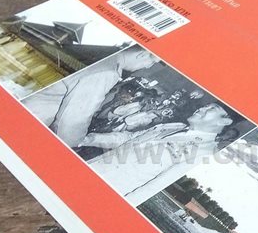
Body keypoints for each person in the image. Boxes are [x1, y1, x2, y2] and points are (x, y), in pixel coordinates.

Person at [79, 103, 234, 205]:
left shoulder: (205, 152)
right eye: (204, 106)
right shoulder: (174, 126)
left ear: (224, 122)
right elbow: (128, 139)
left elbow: (154, 187)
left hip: (108, 193)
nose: (201, 108)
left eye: (210, 109)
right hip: (92, 169)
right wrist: (89, 139)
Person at [22, 46, 158, 147]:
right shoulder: (107, 72)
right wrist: (73, 141)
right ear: (141, 54)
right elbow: (75, 117)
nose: (147, 67)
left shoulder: (105, 55)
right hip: (35, 118)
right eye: (152, 63)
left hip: (30, 102)